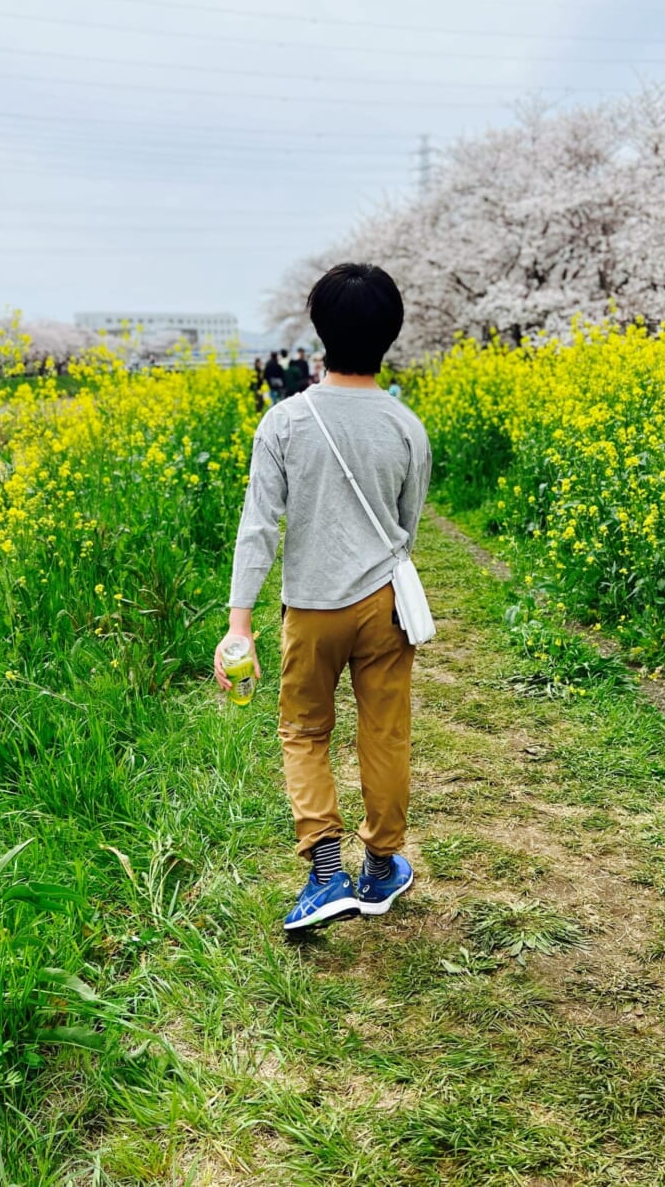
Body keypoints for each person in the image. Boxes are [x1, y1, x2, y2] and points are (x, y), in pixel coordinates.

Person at [214, 263, 432, 932]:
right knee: (385, 730)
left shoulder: (284, 422)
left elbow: (259, 526)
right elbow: (407, 524)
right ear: (389, 334)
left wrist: (240, 624)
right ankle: (383, 864)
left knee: (305, 730)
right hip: (383, 605)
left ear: (318, 331)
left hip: (310, 606)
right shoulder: (406, 426)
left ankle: (326, 872)